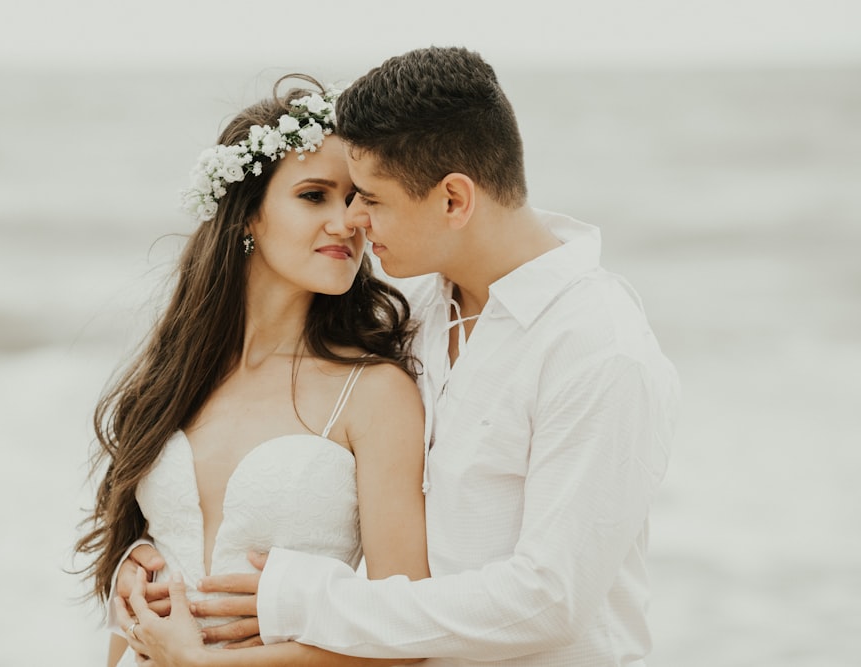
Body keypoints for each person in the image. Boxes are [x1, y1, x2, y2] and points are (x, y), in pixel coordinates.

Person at [117, 46, 682, 666]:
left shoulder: (599, 348)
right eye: (328, 196)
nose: (354, 221)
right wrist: (148, 567)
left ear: (454, 201)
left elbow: (549, 600)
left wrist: (297, 604)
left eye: (370, 198)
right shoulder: (413, 312)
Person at [74, 74, 432, 667]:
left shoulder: (374, 394)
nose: (347, 222)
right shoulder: (174, 380)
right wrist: (130, 579)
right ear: (248, 215)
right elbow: (147, 602)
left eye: (356, 200)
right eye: (314, 196)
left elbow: (409, 635)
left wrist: (207, 665)